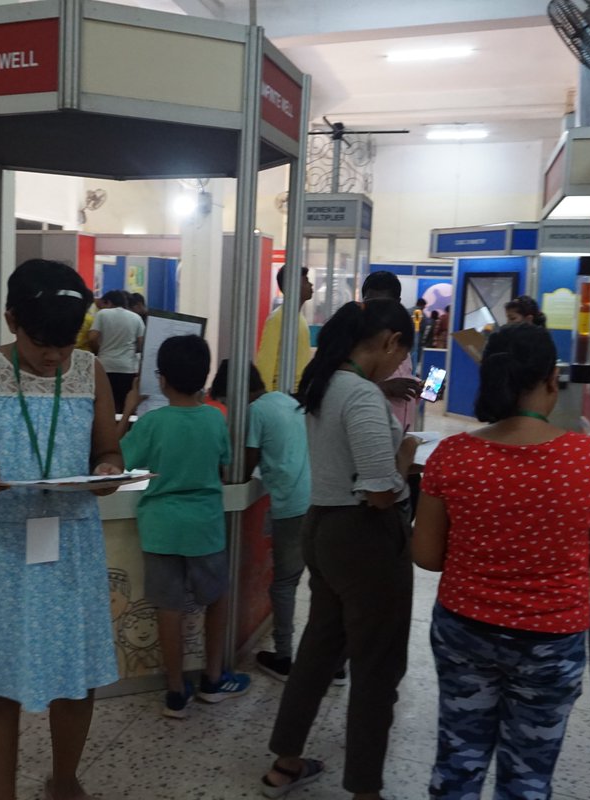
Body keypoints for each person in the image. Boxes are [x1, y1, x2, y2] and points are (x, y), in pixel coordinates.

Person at [0, 259, 123, 800]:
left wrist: (106, 472)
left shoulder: (88, 372)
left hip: (67, 540)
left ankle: (64, 780)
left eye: (65, 342)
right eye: (41, 343)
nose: (55, 356)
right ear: (11, 320)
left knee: (76, 678)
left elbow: (108, 449)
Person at [412, 323, 590, 800]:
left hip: (464, 628)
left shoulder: (453, 455)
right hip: (552, 640)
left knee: (458, 758)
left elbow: (426, 555)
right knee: (530, 773)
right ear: (552, 379)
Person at [261, 299, 417, 800]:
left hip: (322, 525)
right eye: (399, 354)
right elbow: (377, 490)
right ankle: (366, 787)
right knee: (377, 663)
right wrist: (408, 459)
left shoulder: (326, 383)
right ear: (390, 340)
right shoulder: (362, 396)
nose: (398, 366)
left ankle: (284, 762)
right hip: (366, 536)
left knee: (319, 648)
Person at [119, 336, 251, 719]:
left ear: (161, 380)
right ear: (204, 377)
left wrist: (128, 410)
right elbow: (225, 466)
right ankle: (213, 678)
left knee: (169, 606)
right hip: (205, 525)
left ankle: (175, 691)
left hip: (160, 526)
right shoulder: (215, 417)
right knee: (217, 598)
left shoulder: (153, 422)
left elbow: (117, 459)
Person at [208, 360, 311, 681]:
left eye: (225, 402)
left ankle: (283, 656)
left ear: (234, 395)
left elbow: (244, 463)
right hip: (313, 498)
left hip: (291, 507)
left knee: (283, 583)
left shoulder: (255, 412)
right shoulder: (287, 400)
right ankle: (333, 660)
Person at [362, 271, 420, 434]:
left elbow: (403, 382)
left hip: (401, 435)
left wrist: (419, 389)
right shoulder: (355, 340)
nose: (376, 310)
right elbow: (340, 389)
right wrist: (383, 388)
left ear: (397, 303)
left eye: (384, 303)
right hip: (371, 434)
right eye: (370, 302)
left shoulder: (401, 341)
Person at [256, 265, 314, 392]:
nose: (311, 284)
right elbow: (266, 363)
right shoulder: (277, 318)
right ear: (293, 285)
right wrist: (268, 398)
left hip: (298, 392)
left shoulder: (300, 319)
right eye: (305, 281)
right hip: (283, 392)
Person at [88, 290, 145, 414]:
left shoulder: (102, 314)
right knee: (126, 407)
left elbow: (92, 338)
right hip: (127, 369)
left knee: (106, 407)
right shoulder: (136, 318)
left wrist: (99, 351)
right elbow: (141, 345)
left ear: (109, 302)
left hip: (105, 367)